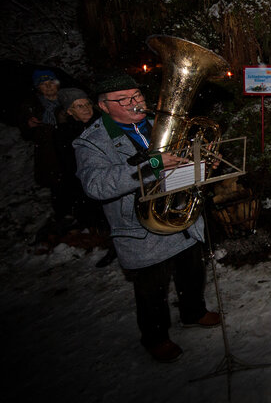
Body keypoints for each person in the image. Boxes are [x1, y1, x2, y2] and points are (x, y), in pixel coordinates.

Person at [73, 72, 220, 363]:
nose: (134, 103)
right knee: (152, 288)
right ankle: (156, 337)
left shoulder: (159, 125)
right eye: (123, 99)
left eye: (137, 96)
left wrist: (202, 161)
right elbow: (96, 185)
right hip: (140, 226)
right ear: (103, 106)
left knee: (192, 270)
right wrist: (152, 165)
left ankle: (193, 312)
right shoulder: (92, 142)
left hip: (179, 215)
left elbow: (180, 160)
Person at [55, 87, 115, 266]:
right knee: (102, 219)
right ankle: (112, 246)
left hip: (110, 177)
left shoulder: (105, 123)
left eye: (88, 104)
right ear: (69, 111)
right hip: (86, 183)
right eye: (79, 106)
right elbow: (68, 166)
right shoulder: (64, 134)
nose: (86, 109)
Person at [17, 69, 68, 237]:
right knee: (57, 186)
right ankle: (64, 219)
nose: (48, 87)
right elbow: (25, 130)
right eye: (43, 84)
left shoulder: (68, 99)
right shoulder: (32, 105)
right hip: (49, 152)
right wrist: (29, 125)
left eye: (51, 82)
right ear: (37, 87)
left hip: (69, 148)